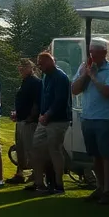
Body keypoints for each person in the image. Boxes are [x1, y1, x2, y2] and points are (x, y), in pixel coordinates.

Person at [72, 37, 109, 204]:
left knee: (106, 155)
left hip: (106, 118)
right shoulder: (84, 68)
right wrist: (85, 76)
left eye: (95, 52)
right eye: (90, 52)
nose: (92, 55)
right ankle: (100, 187)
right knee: (95, 155)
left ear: (104, 53)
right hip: (88, 117)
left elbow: (108, 92)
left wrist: (93, 77)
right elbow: (74, 90)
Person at [29, 51, 71, 195]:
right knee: (36, 148)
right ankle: (40, 183)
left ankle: (59, 185)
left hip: (58, 120)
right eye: (39, 63)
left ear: (51, 61)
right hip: (45, 119)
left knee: (54, 149)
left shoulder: (61, 77)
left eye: (42, 63)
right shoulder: (46, 77)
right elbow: (44, 98)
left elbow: (60, 100)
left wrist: (47, 114)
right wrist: (41, 113)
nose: (40, 66)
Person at [8, 58, 42, 185]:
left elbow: (36, 102)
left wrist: (31, 117)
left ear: (31, 68)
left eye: (24, 66)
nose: (20, 68)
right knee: (20, 149)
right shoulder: (25, 81)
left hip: (29, 122)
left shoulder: (35, 82)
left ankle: (36, 175)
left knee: (31, 149)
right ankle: (20, 173)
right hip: (22, 119)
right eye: (20, 66)